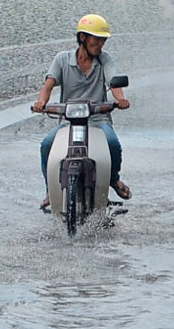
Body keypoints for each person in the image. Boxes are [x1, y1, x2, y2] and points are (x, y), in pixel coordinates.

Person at [32, 13, 132, 210]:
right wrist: (41, 102)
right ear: (83, 37)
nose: (101, 44)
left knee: (112, 143)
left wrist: (120, 99)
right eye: (97, 38)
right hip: (68, 122)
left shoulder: (105, 60)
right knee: (46, 145)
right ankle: (50, 191)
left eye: (103, 39)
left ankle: (113, 179)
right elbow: (49, 84)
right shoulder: (62, 60)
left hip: (98, 119)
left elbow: (113, 82)